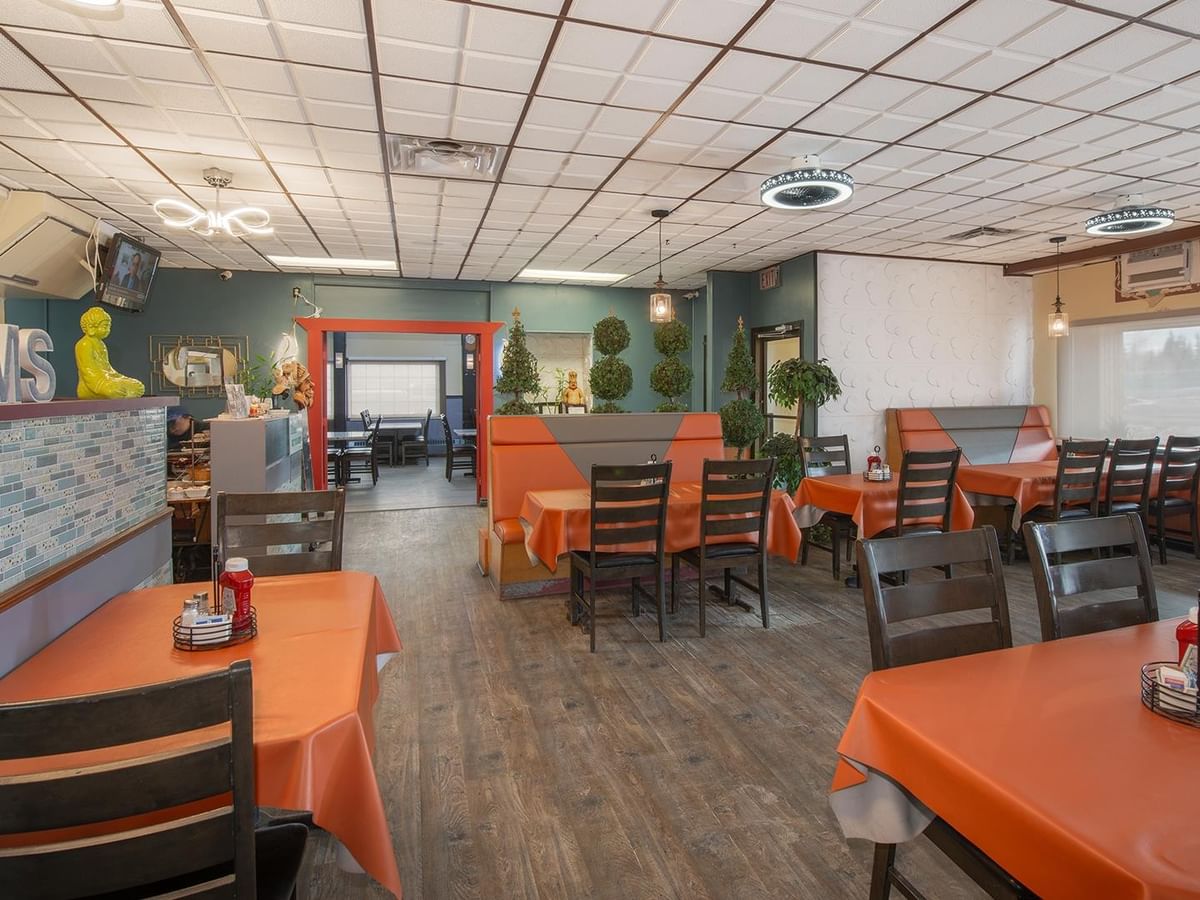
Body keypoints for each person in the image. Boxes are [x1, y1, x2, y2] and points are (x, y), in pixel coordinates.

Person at [75, 306, 145, 399]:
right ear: (91, 327)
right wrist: (105, 386)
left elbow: (108, 369)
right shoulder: (84, 344)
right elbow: (89, 372)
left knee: (137, 386)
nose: (108, 330)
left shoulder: (101, 344)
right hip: (92, 386)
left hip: (106, 379)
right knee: (113, 391)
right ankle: (119, 391)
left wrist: (121, 379)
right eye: (105, 326)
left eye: (109, 327)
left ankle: (121, 390)